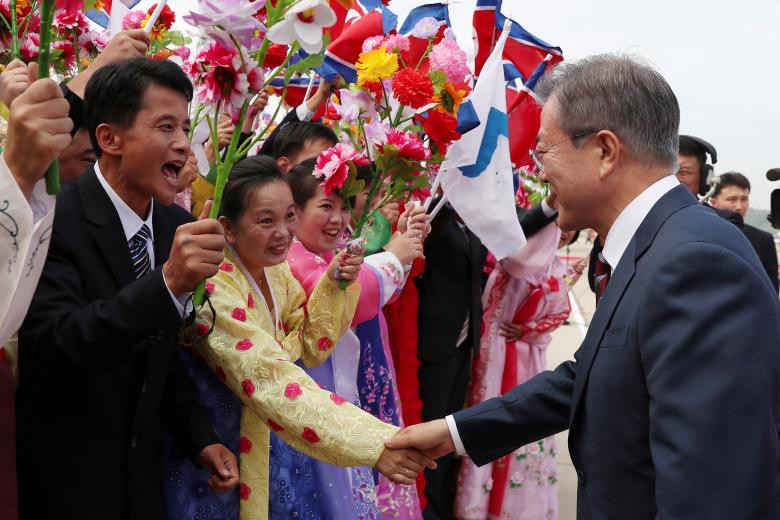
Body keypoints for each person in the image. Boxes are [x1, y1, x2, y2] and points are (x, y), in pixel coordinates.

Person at [389, 54, 780, 519]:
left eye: (544, 152)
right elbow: (595, 373)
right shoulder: (649, 245)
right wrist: (454, 431)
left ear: (604, 151)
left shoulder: (696, 264)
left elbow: (712, 494)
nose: (540, 174)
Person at [16, 58, 240, 519]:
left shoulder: (175, 225)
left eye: (184, 125)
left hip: (142, 483)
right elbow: (60, 343)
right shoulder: (53, 219)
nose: (182, 144)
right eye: (164, 126)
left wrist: (199, 436)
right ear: (109, 138)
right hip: (68, 484)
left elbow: (161, 355)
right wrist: (168, 283)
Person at [166, 155, 433, 520]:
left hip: (276, 444)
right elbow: (269, 378)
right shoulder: (214, 285)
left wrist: (336, 284)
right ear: (227, 228)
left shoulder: (274, 273)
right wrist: (376, 444)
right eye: (266, 220)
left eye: (289, 216)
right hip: (219, 451)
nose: (284, 232)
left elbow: (312, 345)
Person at [267, 159, 426, 518]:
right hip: (305, 402)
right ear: (295, 211)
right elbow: (353, 300)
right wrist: (392, 257)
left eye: (343, 208)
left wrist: (400, 248)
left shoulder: (322, 253)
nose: (338, 219)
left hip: (334, 396)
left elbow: (374, 297)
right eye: (326, 206)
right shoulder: (290, 257)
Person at [456, 220, 574, 519]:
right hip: (498, 354)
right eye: (559, 229)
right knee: (495, 413)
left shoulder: (556, 269)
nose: (565, 236)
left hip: (528, 359)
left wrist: (530, 329)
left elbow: (560, 313)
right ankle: (479, 503)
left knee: (525, 417)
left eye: (570, 233)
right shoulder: (510, 265)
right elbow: (490, 311)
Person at [708, 171, 778, 292]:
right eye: (732, 199)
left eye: (744, 199)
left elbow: (772, 289)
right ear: (713, 202)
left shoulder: (764, 239)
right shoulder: (702, 236)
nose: (739, 206)